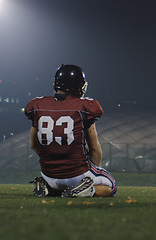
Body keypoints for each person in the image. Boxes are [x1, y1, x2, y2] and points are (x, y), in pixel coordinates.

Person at [26, 64, 116, 198]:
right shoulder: (84, 107)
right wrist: (90, 175)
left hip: (48, 174)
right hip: (77, 174)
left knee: (54, 181)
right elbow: (94, 149)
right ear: (77, 85)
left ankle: (49, 188)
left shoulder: (38, 105)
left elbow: (33, 144)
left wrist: (53, 160)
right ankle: (86, 190)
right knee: (111, 185)